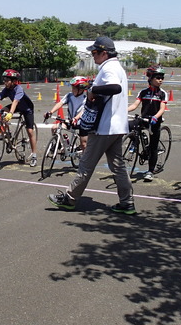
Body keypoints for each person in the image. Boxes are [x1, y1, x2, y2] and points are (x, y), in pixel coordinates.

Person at [47, 36, 135, 214]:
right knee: (118, 166)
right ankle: (127, 202)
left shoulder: (109, 68)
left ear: (105, 53)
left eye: (95, 52)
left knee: (86, 164)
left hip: (105, 126)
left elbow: (114, 88)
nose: (93, 56)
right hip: (117, 126)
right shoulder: (117, 67)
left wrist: (92, 89)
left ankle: (70, 198)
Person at [0, 69, 38, 166]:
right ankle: (8, 134)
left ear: (14, 81)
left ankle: (34, 155)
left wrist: (10, 113)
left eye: (7, 80)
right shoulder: (7, 89)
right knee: (1, 112)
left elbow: (15, 101)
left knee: (30, 131)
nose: (5, 82)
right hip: (16, 106)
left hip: (27, 109)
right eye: (4, 80)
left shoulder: (18, 89)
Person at [127, 65, 167, 181]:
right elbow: (135, 105)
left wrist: (156, 117)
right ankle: (135, 141)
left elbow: (162, 109)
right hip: (143, 119)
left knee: (153, 147)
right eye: (158, 77)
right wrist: (122, 111)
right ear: (150, 78)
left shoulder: (162, 93)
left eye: (162, 78)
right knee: (127, 125)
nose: (160, 80)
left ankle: (150, 171)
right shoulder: (143, 92)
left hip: (154, 121)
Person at [43, 75, 89, 150]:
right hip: (70, 121)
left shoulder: (85, 99)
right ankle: (59, 145)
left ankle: (85, 160)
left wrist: (76, 118)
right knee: (54, 128)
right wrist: (50, 112)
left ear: (81, 89)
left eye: (74, 88)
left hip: (80, 123)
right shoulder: (69, 96)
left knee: (84, 145)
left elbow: (83, 111)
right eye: (72, 87)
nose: (72, 89)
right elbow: (60, 103)